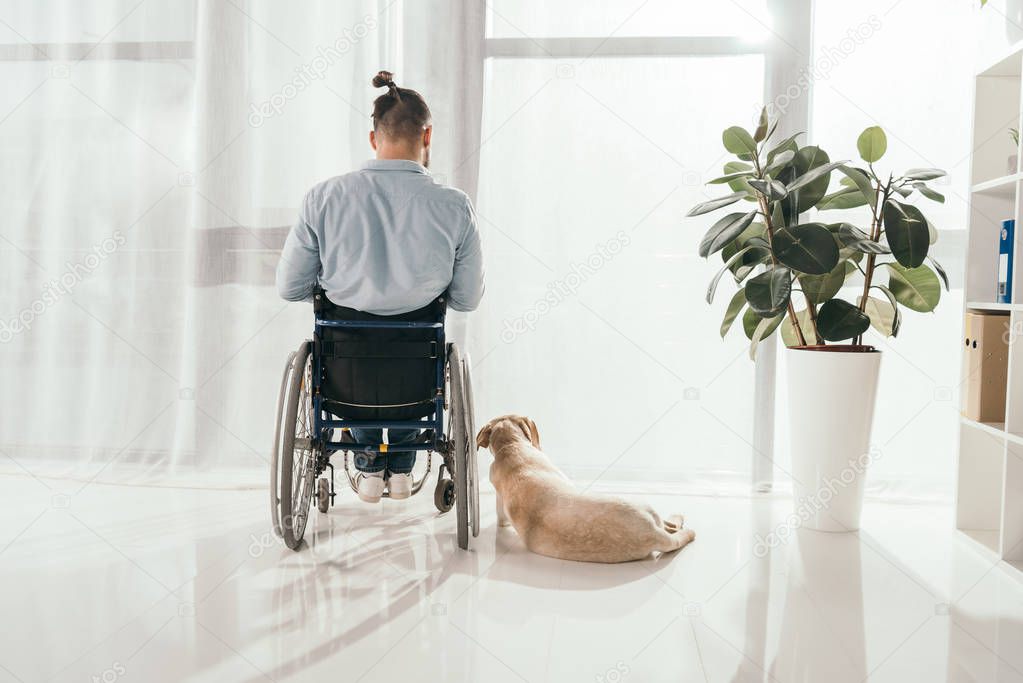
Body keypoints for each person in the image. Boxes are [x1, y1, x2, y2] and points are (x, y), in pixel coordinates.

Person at [276, 70, 484, 503]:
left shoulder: (323, 197)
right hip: (417, 378)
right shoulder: (454, 206)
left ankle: (369, 464)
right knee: (409, 354)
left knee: (355, 347)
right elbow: (466, 299)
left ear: (374, 138)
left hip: (346, 374)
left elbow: (290, 288)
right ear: (427, 135)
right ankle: (403, 465)